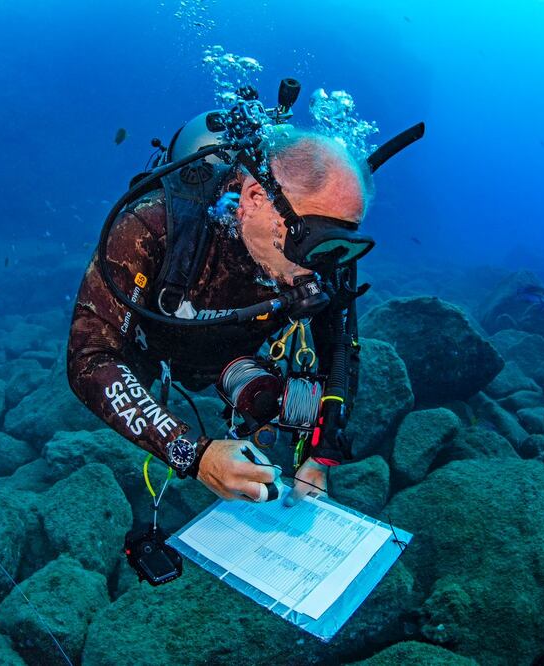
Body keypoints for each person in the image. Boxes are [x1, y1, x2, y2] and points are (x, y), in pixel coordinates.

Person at [67, 130, 372, 506]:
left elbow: (341, 352)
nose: (319, 267)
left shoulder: (326, 257)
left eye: (340, 244)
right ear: (255, 198)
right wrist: (194, 454)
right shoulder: (152, 225)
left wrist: (319, 455)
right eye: (311, 239)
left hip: (233, 358)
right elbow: (90, 357)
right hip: (153, 350)